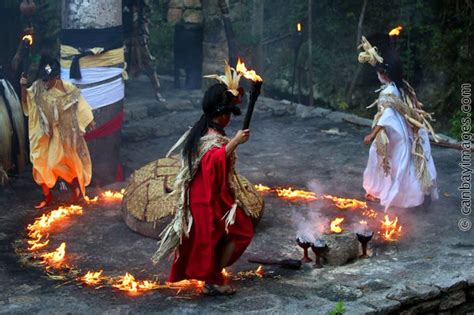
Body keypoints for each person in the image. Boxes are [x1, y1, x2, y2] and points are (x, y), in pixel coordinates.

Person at [152, 63, 263, 295]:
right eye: (228, 114)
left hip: (217, 192)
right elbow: (212, 161)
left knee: (240, 229)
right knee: (211, 238)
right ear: (219, 115)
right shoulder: (211, 139)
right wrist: (235, 142)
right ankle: (212, 278)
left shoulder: (212, 131)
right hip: (205, 197)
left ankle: (213, 272)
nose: (230, 119)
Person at [359, 35, 439, 211]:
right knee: (395, 161)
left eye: (379, 73)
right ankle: (390, 192)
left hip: (395, 132)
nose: (377, 76)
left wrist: (372, 134)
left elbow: (387, 114)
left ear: (384, 75)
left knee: (394, 162)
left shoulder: (389, 91)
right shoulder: (398, 86)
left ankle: (402, 196)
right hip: (398, 130)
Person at [20, 56, 95, 208]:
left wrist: (89, 120)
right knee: (38, 163)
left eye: (49, 80)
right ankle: (48, 197)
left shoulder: (66, 88)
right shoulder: (37, 86)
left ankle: (75, 186)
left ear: (57, 77)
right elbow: (26, 100)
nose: (46, 83)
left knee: (55, 162)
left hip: (60, 133)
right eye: (44, 79)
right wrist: (23, 86)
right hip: (40, 133)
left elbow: (79, 103)